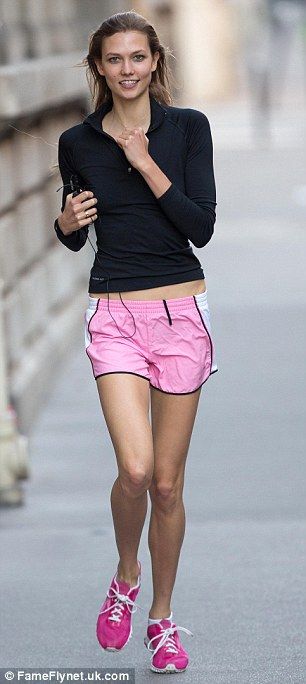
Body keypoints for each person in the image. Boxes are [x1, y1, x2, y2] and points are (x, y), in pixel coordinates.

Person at [54, 10, 218, 675]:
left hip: (180, 311)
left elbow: (199, 227)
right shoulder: (77, 141)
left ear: (155, 62)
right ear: (99, 68)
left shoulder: (187, 130)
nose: (126, 69)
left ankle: (161, 618)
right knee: (137, 471)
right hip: (114, 312)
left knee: (170, 486)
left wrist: (146, 163)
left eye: (137, 57)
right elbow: (74, 231)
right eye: (113, 59)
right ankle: (126, 576)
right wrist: (64, 222)